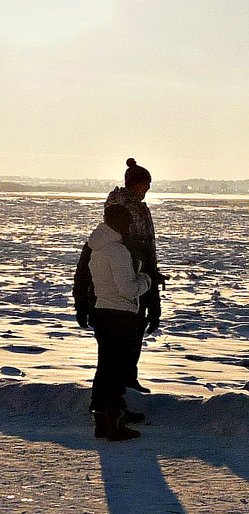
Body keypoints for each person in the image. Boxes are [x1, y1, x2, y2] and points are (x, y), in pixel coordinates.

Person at [86, 204, 153, 441]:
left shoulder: (97, 248)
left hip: (102, 311)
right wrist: (145, 281)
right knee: (115, 370)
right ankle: (115, 423)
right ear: (120, 224)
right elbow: (126, 290)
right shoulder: (118, 251)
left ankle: (102, 421)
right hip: (119, 315)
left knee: (104, 368)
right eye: (127, 223)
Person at [104, 157, 165, 393]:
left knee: (138, 328)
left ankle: (129, 377)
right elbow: (131, 243)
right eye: (144, 185)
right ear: (134, 184)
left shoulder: (138, 206)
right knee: (130, 329)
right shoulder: (122, 207)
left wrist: (153, 270)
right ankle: (123, 382)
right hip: (129, 274)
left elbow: (146, 244)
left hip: (142, 270)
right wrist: (145, 267)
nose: (147, 190)